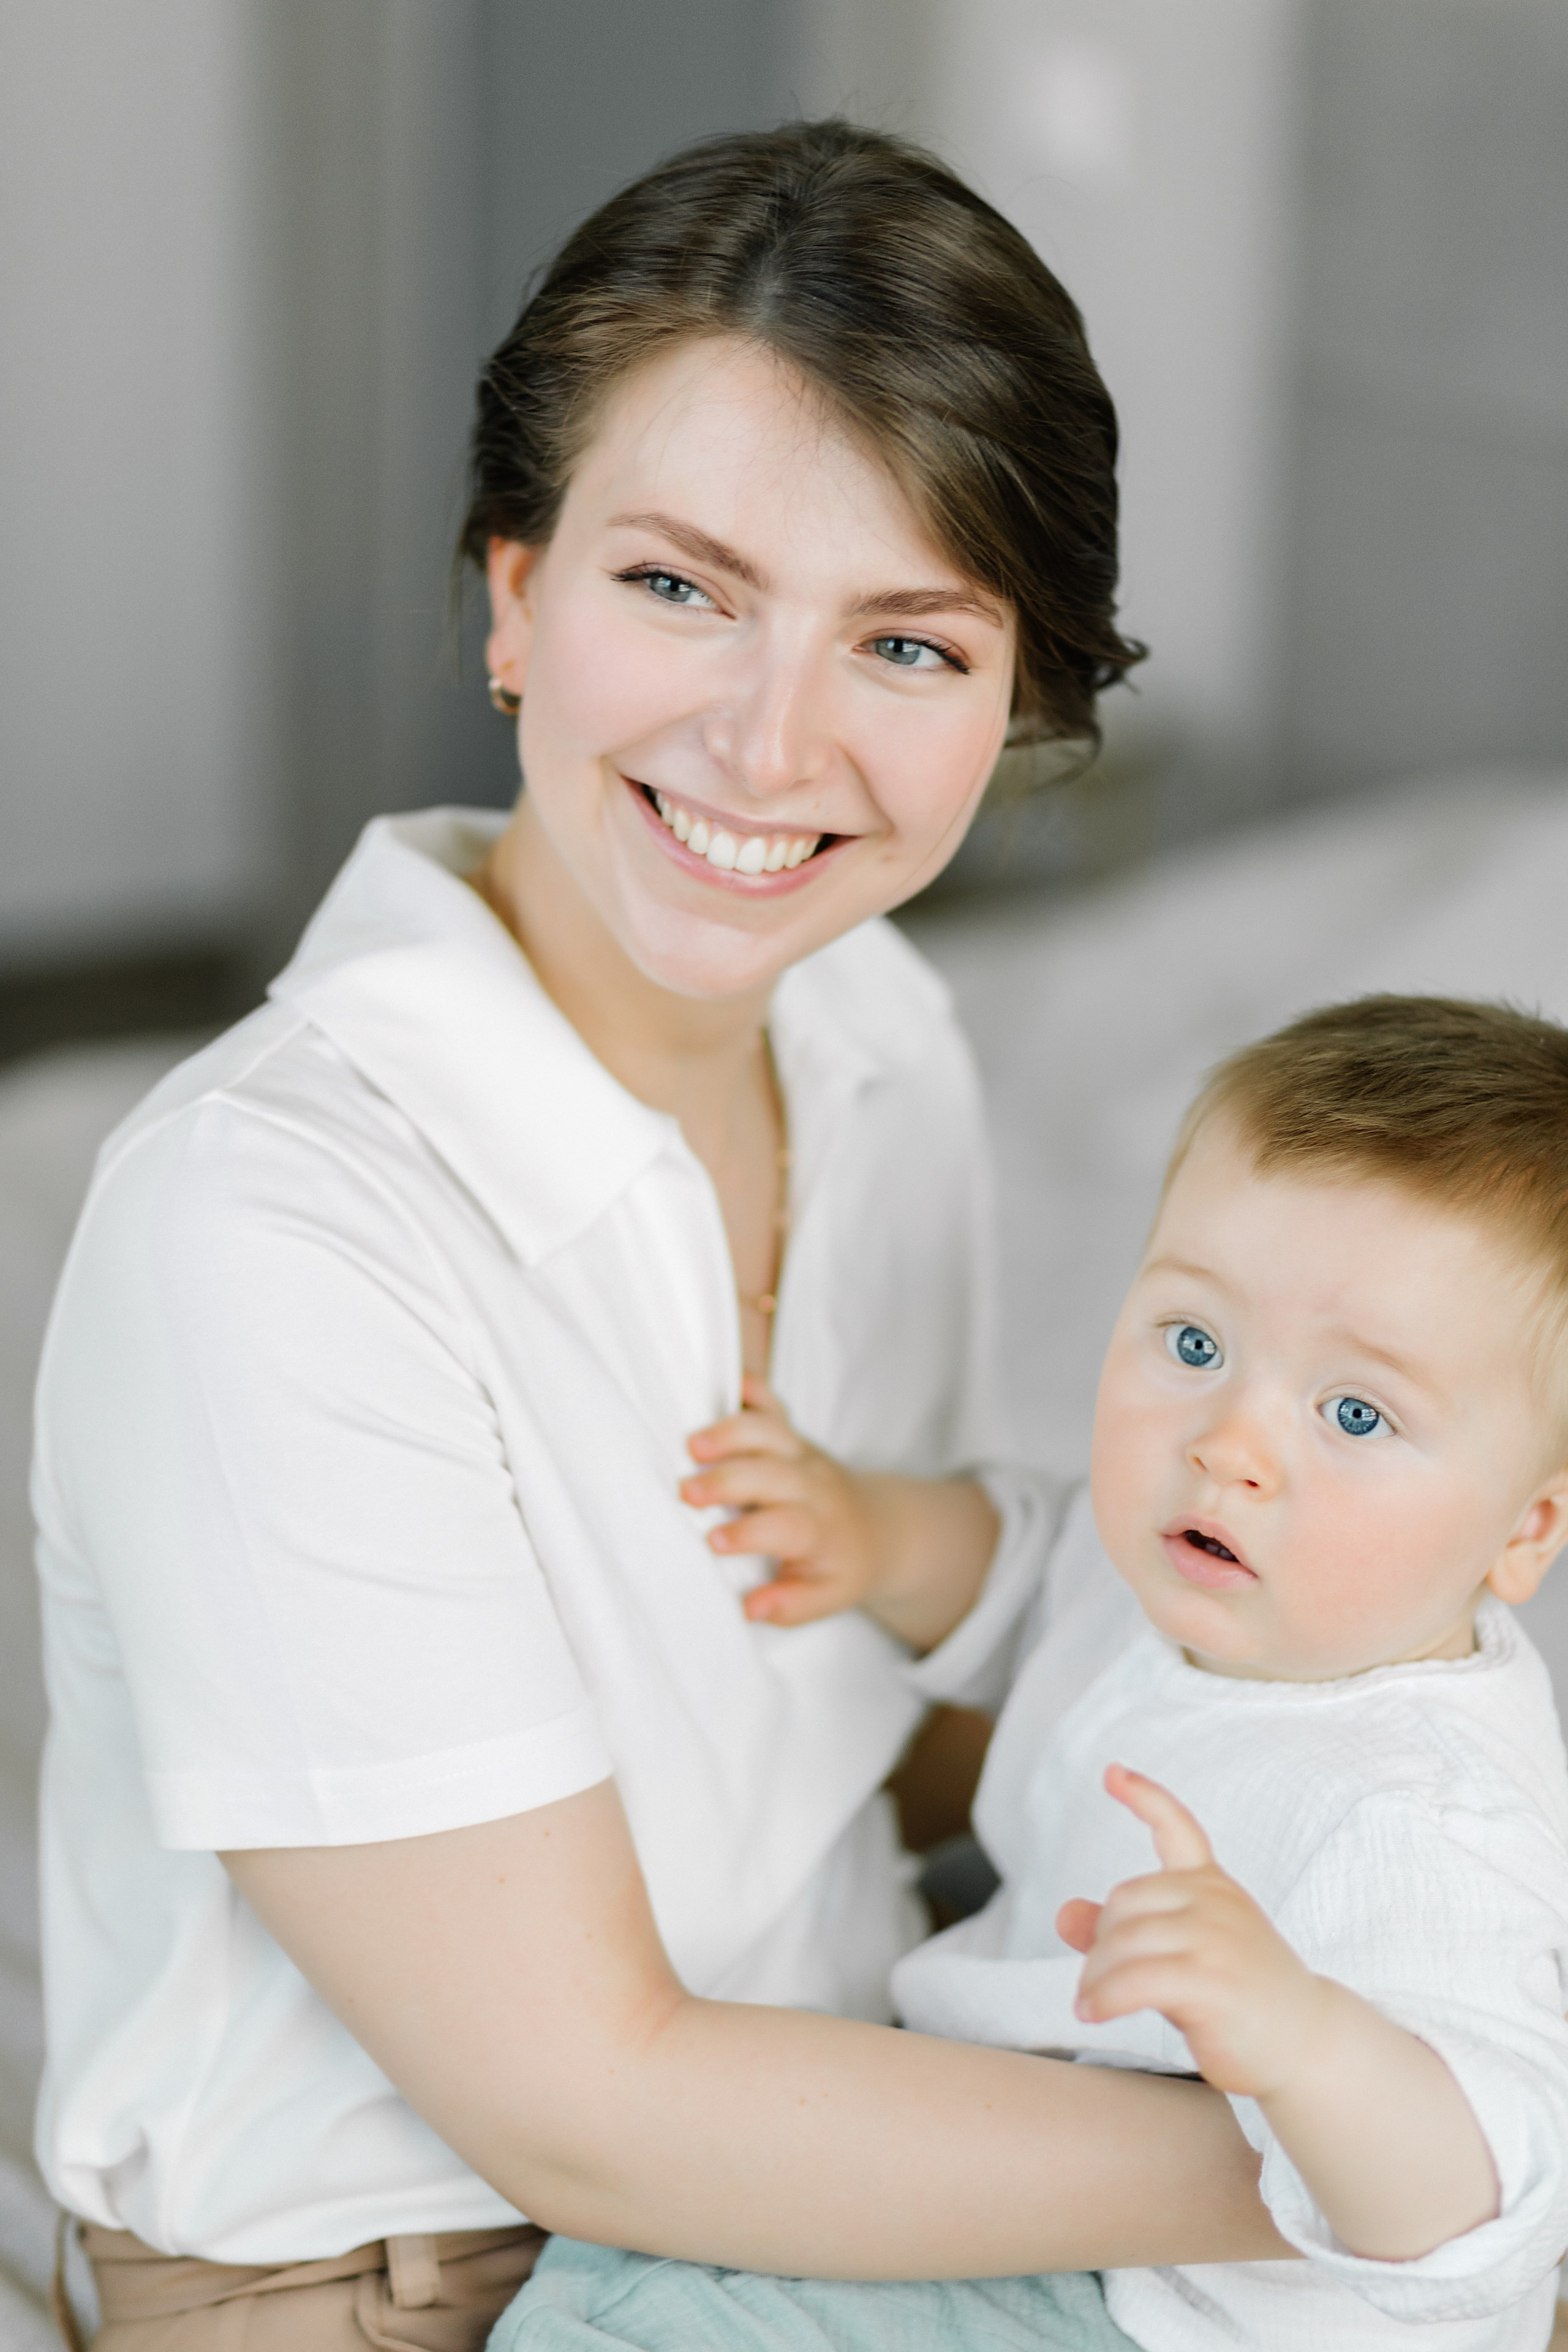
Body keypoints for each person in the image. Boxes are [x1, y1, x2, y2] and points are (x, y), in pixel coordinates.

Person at [33, 121, 1291, 2352]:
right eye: (679, 586)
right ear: (515, 596)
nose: (771, 740)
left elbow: (821, 1720)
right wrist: (1374, 2156)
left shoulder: (886, 1050)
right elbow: (583, 2103)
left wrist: (1341, 1846)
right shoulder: (272, 1221)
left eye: (907, 641)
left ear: (1018, 703)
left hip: (834, 2147)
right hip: (405, 2278)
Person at [496, 995, 1568, 2351]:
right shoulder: (1195, 1574)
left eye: (1354, 1413)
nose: (1229, 1441)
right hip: (1050, 2192)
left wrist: (1300, 2039)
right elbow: (1031, 1559)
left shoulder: (1419, 1819)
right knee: (619, 2270)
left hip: (1182, 2315)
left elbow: (1489, 2196)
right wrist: (868, 1530)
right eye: (1193, 1344)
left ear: (1523, 1529)